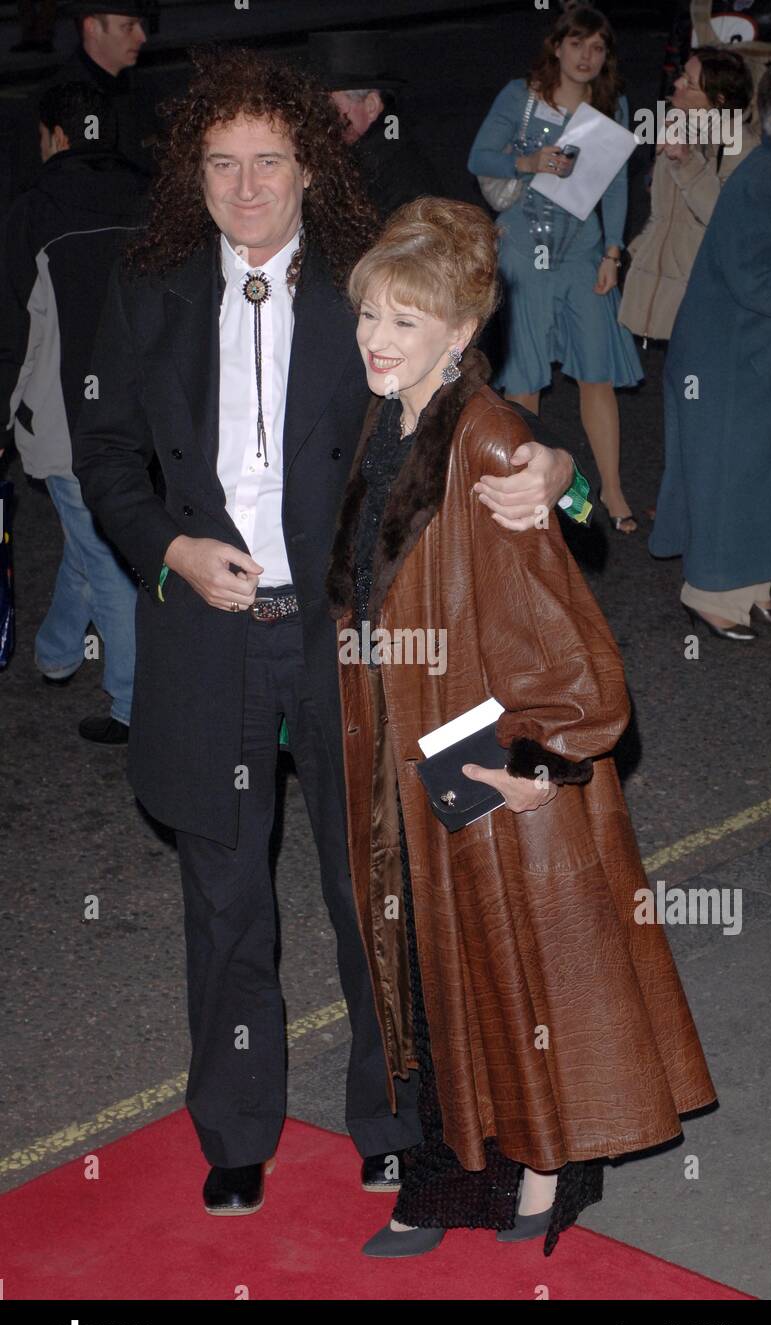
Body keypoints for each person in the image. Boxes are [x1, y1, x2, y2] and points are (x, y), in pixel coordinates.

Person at [72, 49, 585, 1218]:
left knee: (373, 884)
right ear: (190, 175)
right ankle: (238, 1129)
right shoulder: (147, 287)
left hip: (348, 633)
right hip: (209, 632)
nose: (246, 187)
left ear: (310, 165)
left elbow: (473, 408)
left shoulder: (362, 287)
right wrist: (167, 548)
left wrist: (555, 468)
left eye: (268, 161)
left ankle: (394, 1122)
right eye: (220, 164)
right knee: (223, 894)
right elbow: (101, 456)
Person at [326, 196, 717, 1259]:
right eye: (370, 311)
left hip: (481, 757)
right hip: (399, 755)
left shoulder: (486, 434)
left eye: (405, 321)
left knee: (511, 978)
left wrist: (566, 481)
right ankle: (448, 1178)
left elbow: (572, 621)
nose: (376, 337)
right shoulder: (388, 412)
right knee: (431, 979)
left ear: (458, 334)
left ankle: (540, 1167)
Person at [0, 81, 148, 740]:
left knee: (105, 555)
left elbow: (12, 336)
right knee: (88, 536)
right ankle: (58, 653)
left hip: (67, 418)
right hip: (142, 411)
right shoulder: (149, 198)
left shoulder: (32, 213)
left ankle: (132, 703)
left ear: (56, 135)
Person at [468, 4, 644, 534]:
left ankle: (611, 489)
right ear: (557, 47)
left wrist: (613, 253)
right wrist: (530, 161)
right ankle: (528, 488)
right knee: (524, 378)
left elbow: (615, 186)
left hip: (581, 250)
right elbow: (479, 157)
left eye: (596, 48)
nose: (586, 57)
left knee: (597, 372)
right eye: (576, 45)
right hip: (522, 244)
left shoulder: (612, 106)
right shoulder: (520, 96)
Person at [649, 60, 771, 639]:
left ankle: (751, 590)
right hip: (726, 358)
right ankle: (708, 596)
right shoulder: (765, 175)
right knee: (727, 477)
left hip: (754, 353)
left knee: (758, 477)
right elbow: (754, 275)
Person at [619, 47, 758, 345]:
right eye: (682, 74)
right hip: (666, 280)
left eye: (690, 82)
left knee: (698, 384)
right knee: (678, 385)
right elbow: (660, 209)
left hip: (707, 292)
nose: (678, 84)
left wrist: (685, 160)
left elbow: (722, 215)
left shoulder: (742, 146)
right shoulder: (678, 126)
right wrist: (639, 250)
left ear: (718, 100)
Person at [308, 29, 442, 220]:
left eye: (329, 107)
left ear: (371, 105)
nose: (320, 116)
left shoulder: (389, 168)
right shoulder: (388, 144)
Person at [44, 3, 155, 174]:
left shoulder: (147, 91)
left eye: (140, 25)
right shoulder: (58, 101)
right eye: (128, 27)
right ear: (92, 28)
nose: (142, 37)